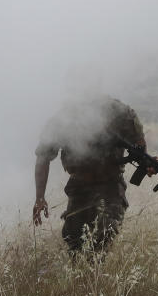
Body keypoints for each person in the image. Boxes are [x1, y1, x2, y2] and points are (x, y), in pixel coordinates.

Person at [32, 96, 148, 253]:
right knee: (75, 243)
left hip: (110, 187)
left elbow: (139, 144)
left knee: (103, 235)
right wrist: (40, 198)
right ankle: (85, 276)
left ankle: (97, 275)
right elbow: (43, 156)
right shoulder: (63, 119)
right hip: (78, 189)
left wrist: (146, 163)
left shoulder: (119, 112)